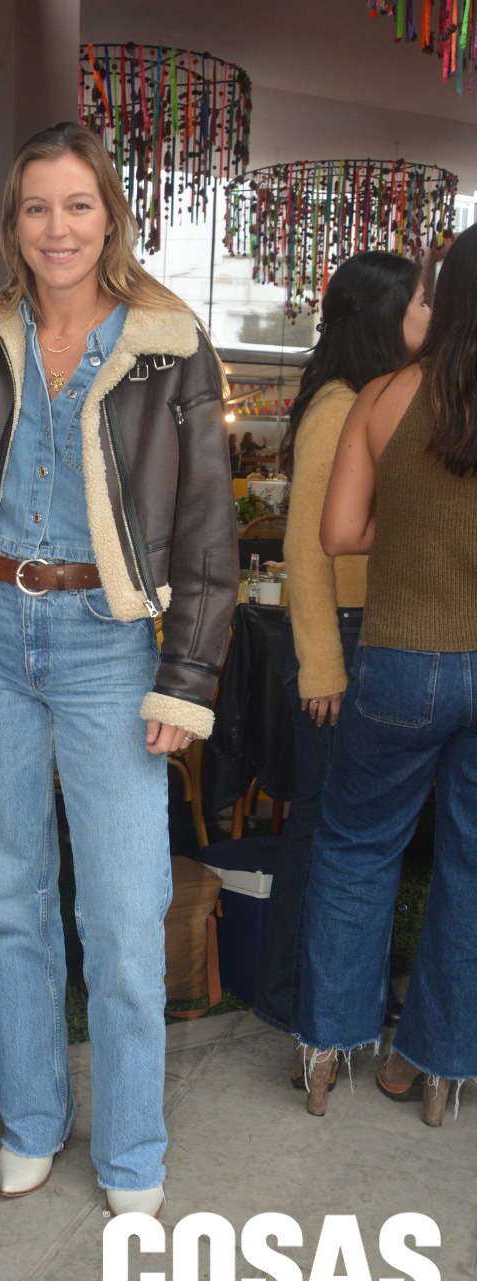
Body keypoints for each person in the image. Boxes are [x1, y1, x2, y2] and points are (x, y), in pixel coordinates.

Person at [0, 124, 237, 1218]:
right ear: (12, 224)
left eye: (77, 206)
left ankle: (130, 1148)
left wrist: (191, 679)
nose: (57, 228)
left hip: (112, 645)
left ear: (109, 216)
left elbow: (210, 530)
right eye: (35, 208)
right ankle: (30, 1118)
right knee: (11, 899)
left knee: (123, 913)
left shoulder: (170, 344)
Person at [294, 223, 477, 1123]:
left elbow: (336, 537)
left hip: (403, 655)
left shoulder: (382, 396)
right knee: (473, 868)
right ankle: (439, 1069)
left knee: (357, 847)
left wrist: (409, 534)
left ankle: (329, 1052)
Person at [254, 253, 430, 1063]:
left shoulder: (376, 400)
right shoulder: (338, 406)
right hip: (347, 639)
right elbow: (306, 548)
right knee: (326, 831)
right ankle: (297, 996)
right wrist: (321, 664)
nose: (431, 318)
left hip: (371, 632)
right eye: (420, 305)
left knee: (329, 829)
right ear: (384, 317)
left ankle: (308, 992)